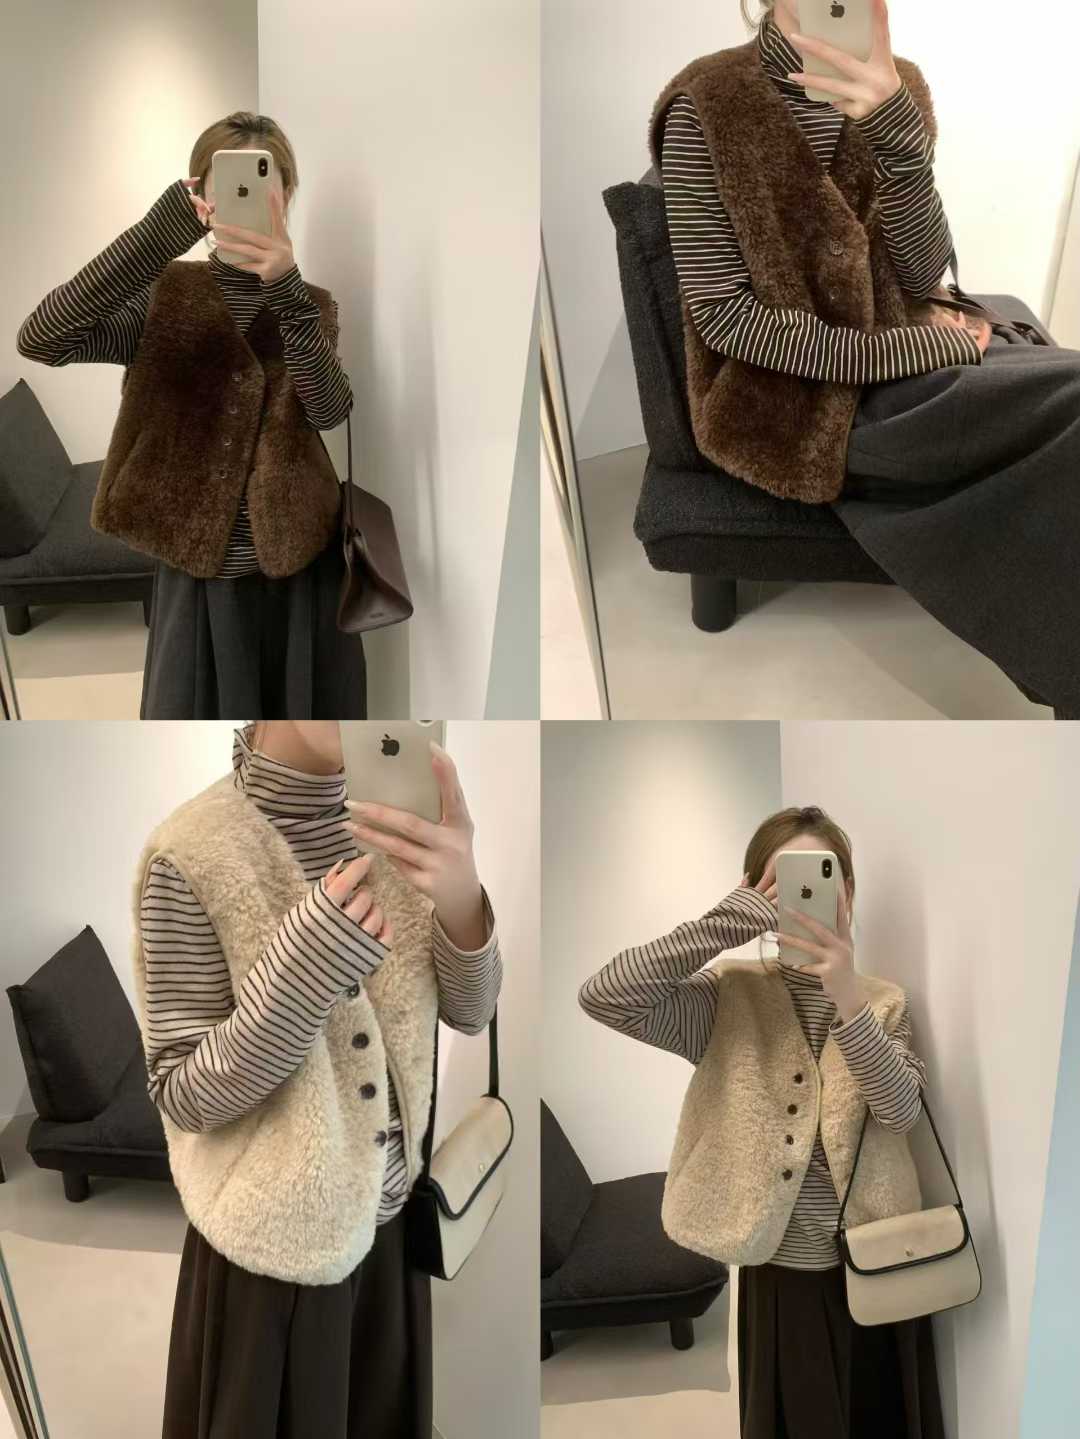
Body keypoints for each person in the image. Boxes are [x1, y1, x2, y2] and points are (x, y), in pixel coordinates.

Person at [653, 0, 1080, 717]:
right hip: (791, 399)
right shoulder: (706, 103)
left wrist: (897, 136)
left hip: (908, 355)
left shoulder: (898, 85)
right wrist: (919, 347)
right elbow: (727, 321)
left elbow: (922, 273)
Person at [134, 720, 502, 1437]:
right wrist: (302, 971)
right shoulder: (189, 853)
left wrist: (463, 895)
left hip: (391, 1237)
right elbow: (183, 1096)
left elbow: (471, 1009)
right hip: (272, 1264)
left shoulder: (402, 823)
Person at [579, 805, 944, 1439]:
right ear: (752, 888)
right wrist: (730, 921)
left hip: (881, 1267)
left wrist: (847, 997)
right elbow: (606, 995)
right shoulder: (726, 997)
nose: (801, 898)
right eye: (781, 882)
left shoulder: (883, 1002)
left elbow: (900, 1110)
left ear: (848, 891)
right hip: (783, 1277)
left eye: (820, 877)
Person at [16, 112, 364, 719]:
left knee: (301, 723)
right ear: (201, 193)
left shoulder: (310, 303)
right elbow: (44, 337)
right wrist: (161, 233)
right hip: (197, 572)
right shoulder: (165, 296)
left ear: (287, 193)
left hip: (298, 570)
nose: (250, 199)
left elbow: (329, 409)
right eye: (228, 184)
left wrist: (286, 287)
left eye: (267, 182)